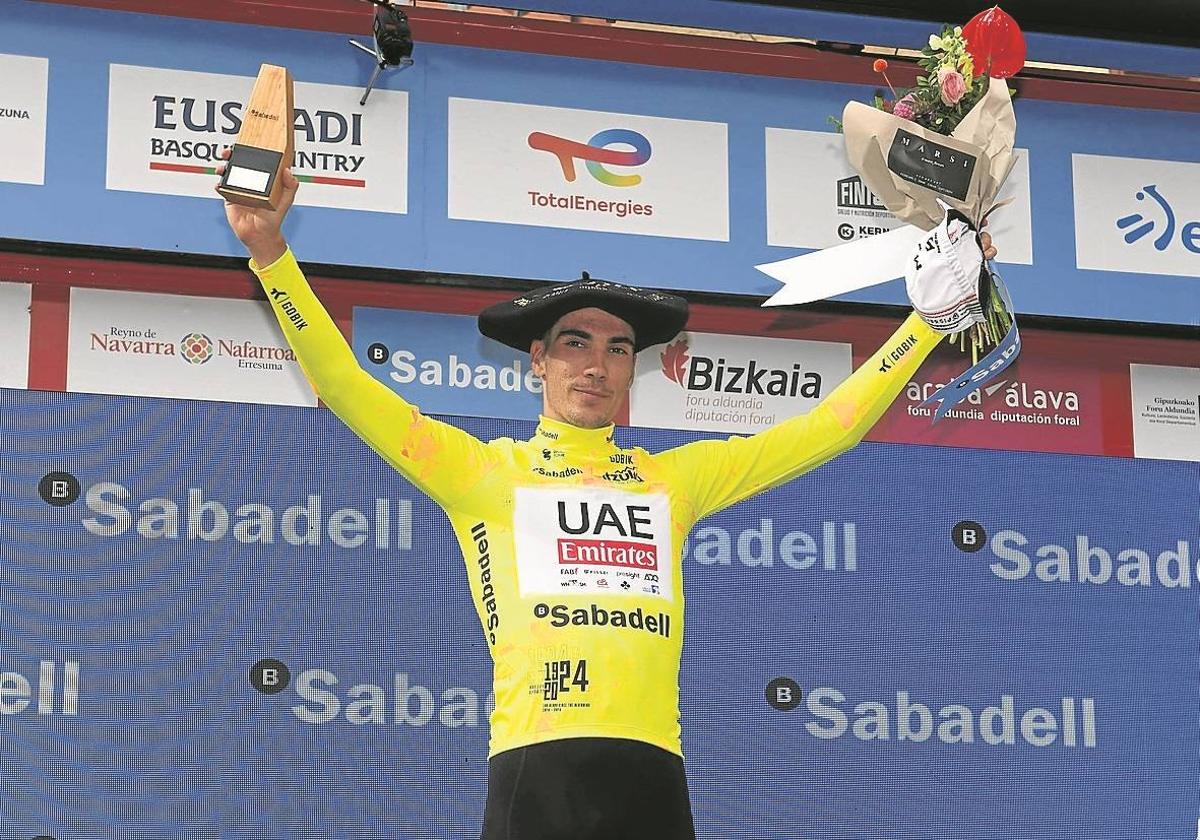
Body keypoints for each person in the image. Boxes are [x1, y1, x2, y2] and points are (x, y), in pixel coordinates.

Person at [219, 157, 996, 840]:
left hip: (653, 775)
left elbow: (832, 427)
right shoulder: (485, 472)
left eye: (618, 348)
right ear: (539, 361)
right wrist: (271, 256)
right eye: (575, 344)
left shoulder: (674, 481)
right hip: (535, 772)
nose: (597, 365)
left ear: (635, 370)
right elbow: (345, 387)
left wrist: (925, 325)